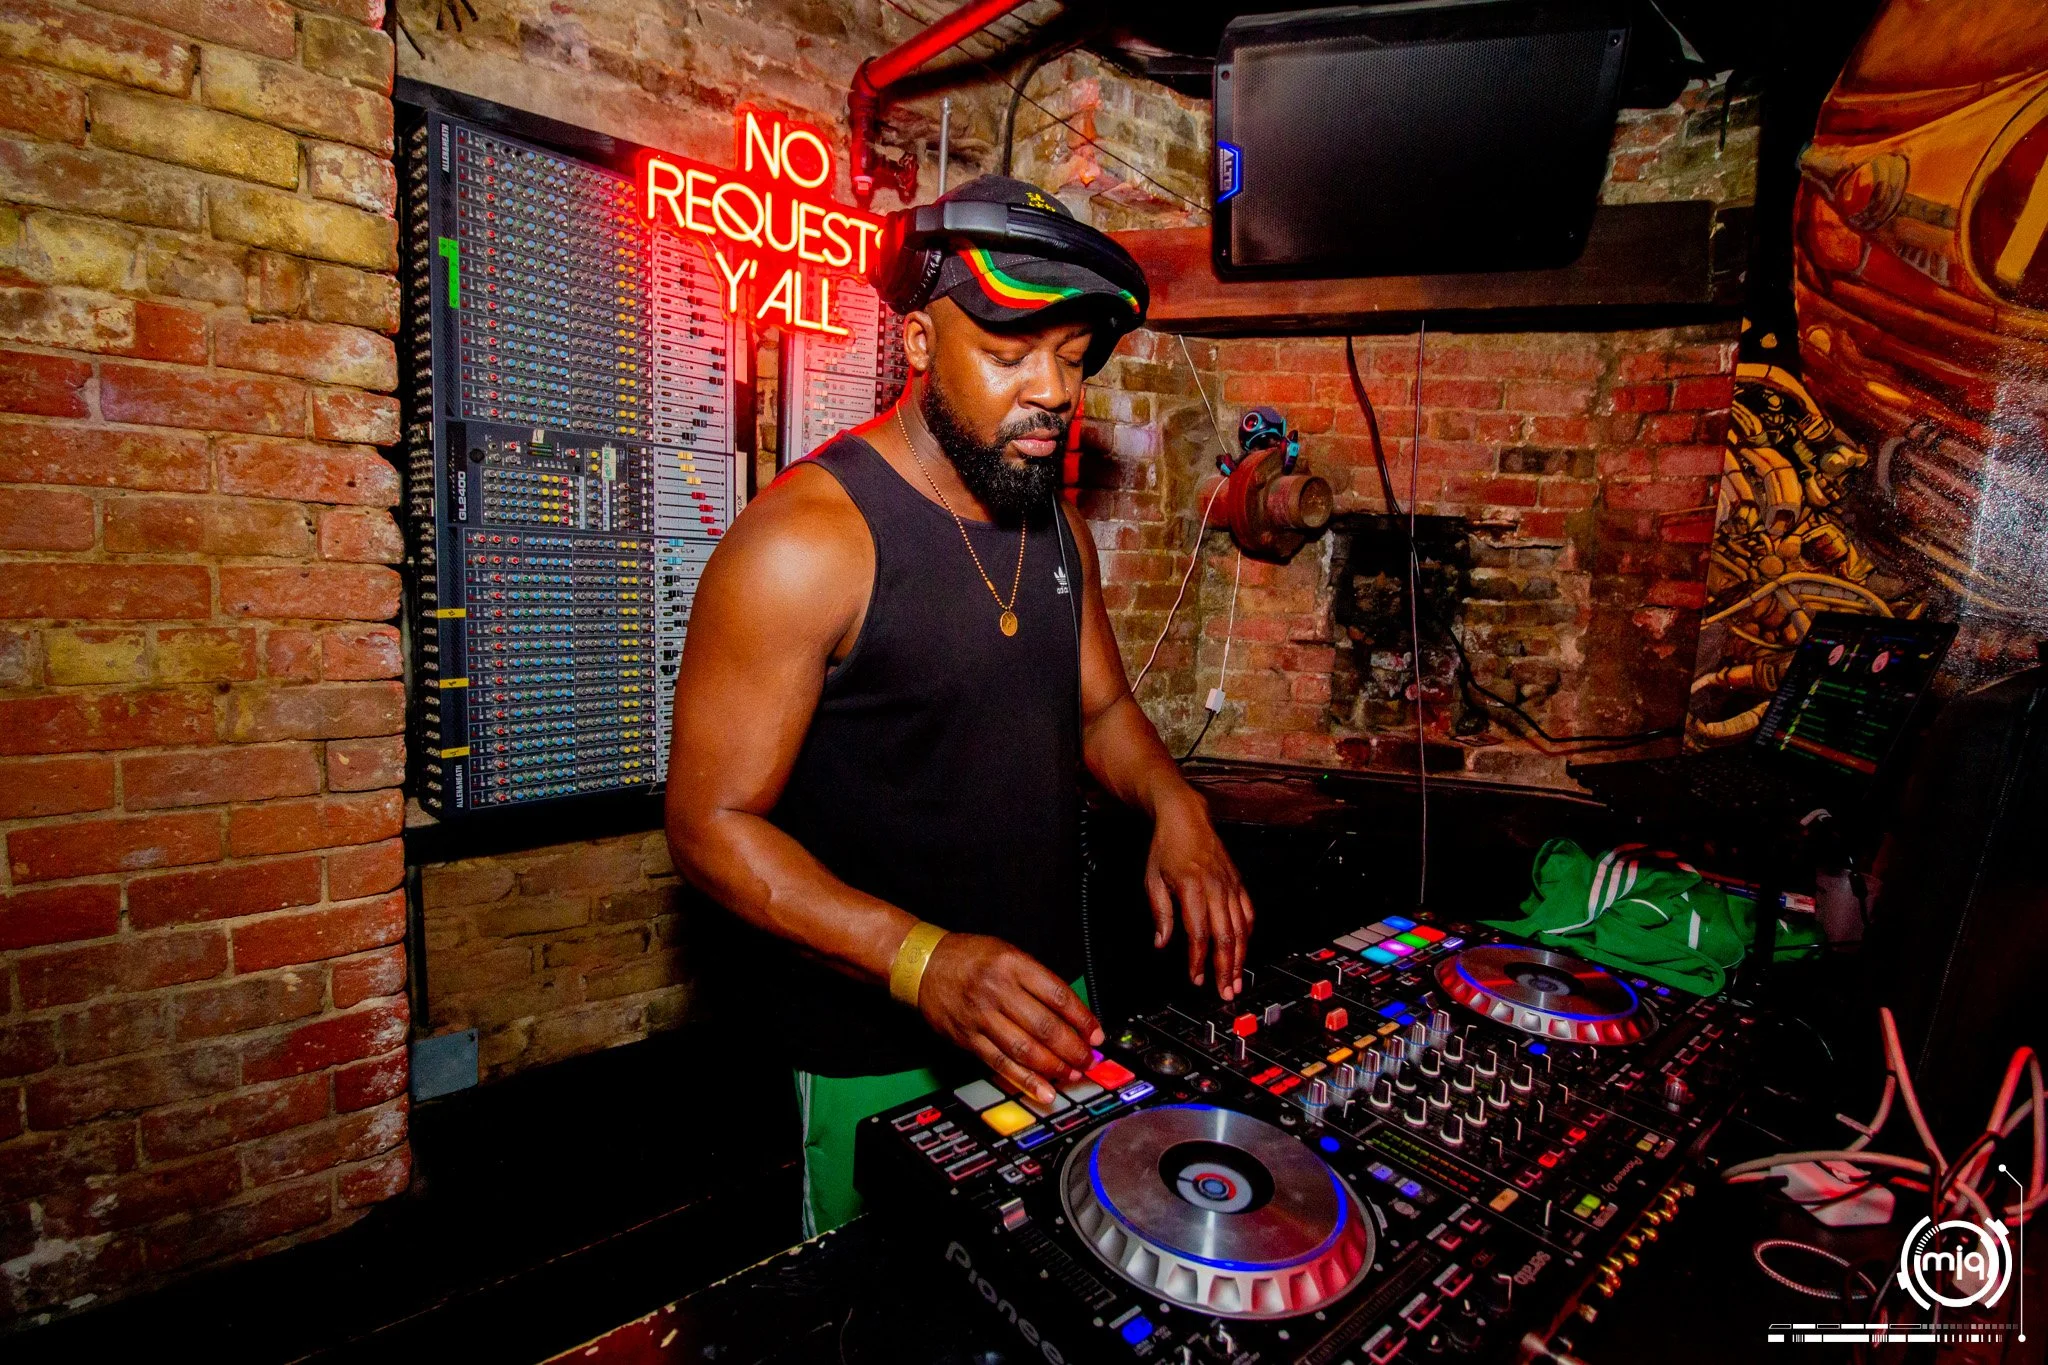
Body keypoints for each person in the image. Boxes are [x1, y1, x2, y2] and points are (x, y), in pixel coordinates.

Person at [663, 176, 1253, 1236]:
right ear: (918, 342)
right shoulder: (804, 544)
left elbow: (1102, 711)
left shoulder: (1056, 528)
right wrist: (922, 959)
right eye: (1009, 352)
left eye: (1071, 357)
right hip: (874, 1041)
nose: (1052, 390)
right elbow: (709, 826)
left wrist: (1175, 803)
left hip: (1048, 1015)